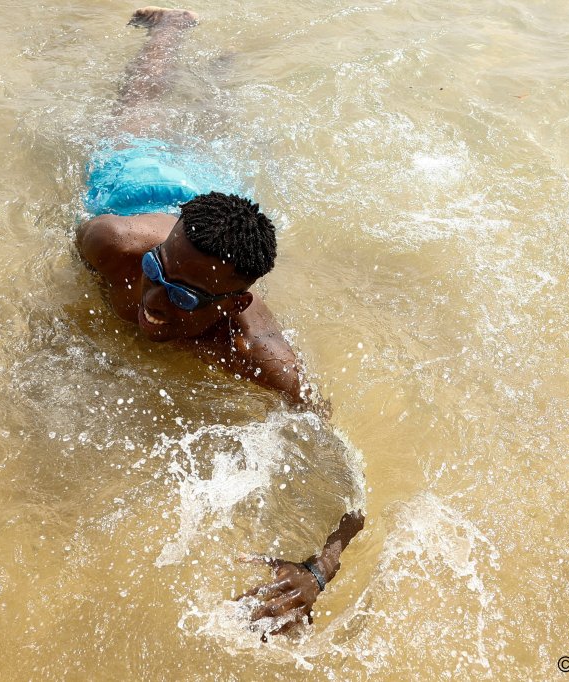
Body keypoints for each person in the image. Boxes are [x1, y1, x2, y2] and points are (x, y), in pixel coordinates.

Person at [75, 7, 364, 634]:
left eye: (182, 297)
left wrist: (320, 568)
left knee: (216, 132)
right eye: (156, 272)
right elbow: (81, 280)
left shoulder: (261, 357)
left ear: (231, 306)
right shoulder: (112, 241)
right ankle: (168, 29)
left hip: (206, 201)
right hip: (138, 183)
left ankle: (225, 76)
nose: (152, 300)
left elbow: (346, 473)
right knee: (135, 113)